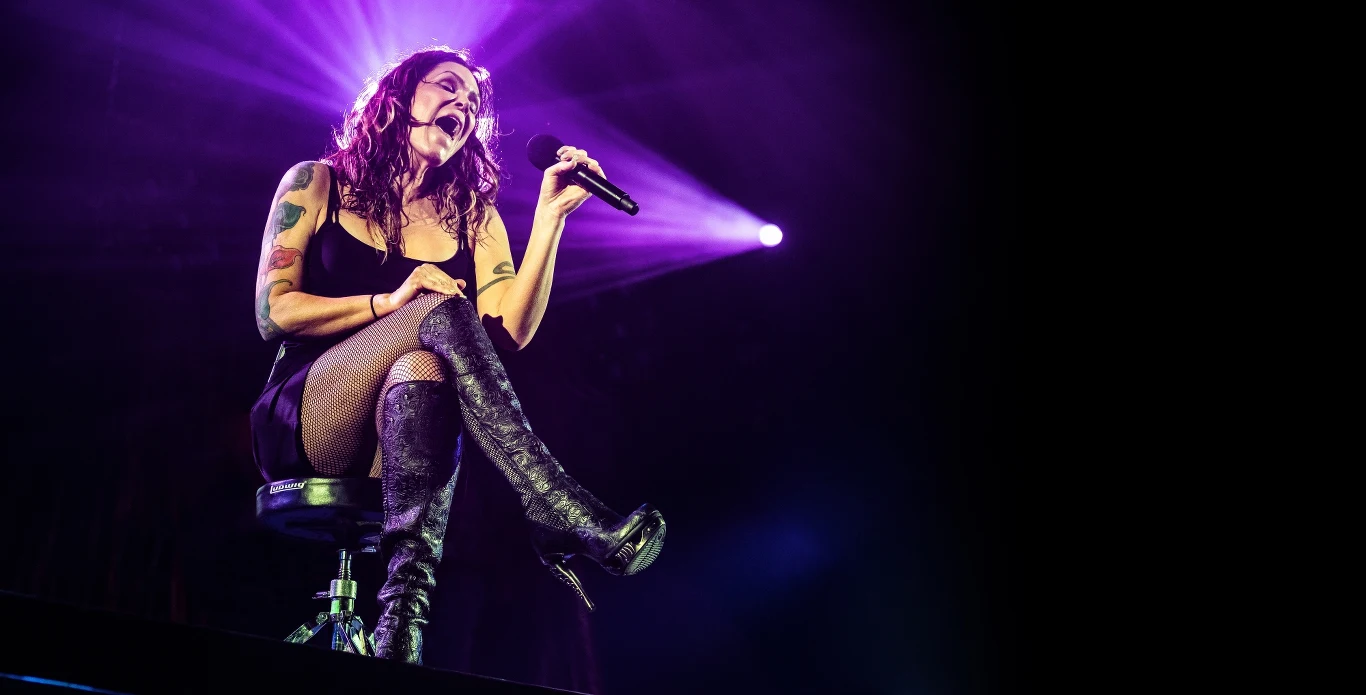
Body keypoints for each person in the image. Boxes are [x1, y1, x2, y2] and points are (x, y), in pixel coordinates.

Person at [247, 46, 665, 664]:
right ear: (398, 98)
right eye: (447, 87)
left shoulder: (473, 216)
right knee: (434, 305)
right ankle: (552, 502)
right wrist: (391, 300)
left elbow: (509, 333)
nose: (463, 106)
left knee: (427, 363)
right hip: (311, 416)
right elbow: (274, 312)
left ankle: (401, 633)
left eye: (472, 103)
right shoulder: (317, 183)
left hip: (399, 439)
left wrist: (549, 218)